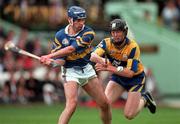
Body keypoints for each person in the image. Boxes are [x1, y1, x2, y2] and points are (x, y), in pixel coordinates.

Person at [40, 6, 111, 124]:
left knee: (105, 104)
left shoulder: (88, 32)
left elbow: (71, 49)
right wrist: (52, 63)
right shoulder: (60, 35)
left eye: (82, 20)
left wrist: (49, 56)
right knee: (72, 105)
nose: (80, 23)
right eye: (77, 20)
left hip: (87, 70)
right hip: (70, 71)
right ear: (70, 20)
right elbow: (62, 61)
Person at [90, 19, 156, 120]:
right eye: (113, 32)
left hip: (135, 79)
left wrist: (109, 67)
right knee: (104, 105)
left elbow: (130, 73)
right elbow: (92, 56)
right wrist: (104, 61)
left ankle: (145, 99)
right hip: (118, 77)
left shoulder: (132, 47)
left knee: (129, 115)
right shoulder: (106, 43)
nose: (115, 34)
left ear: (124, 32)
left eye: (118, 31)